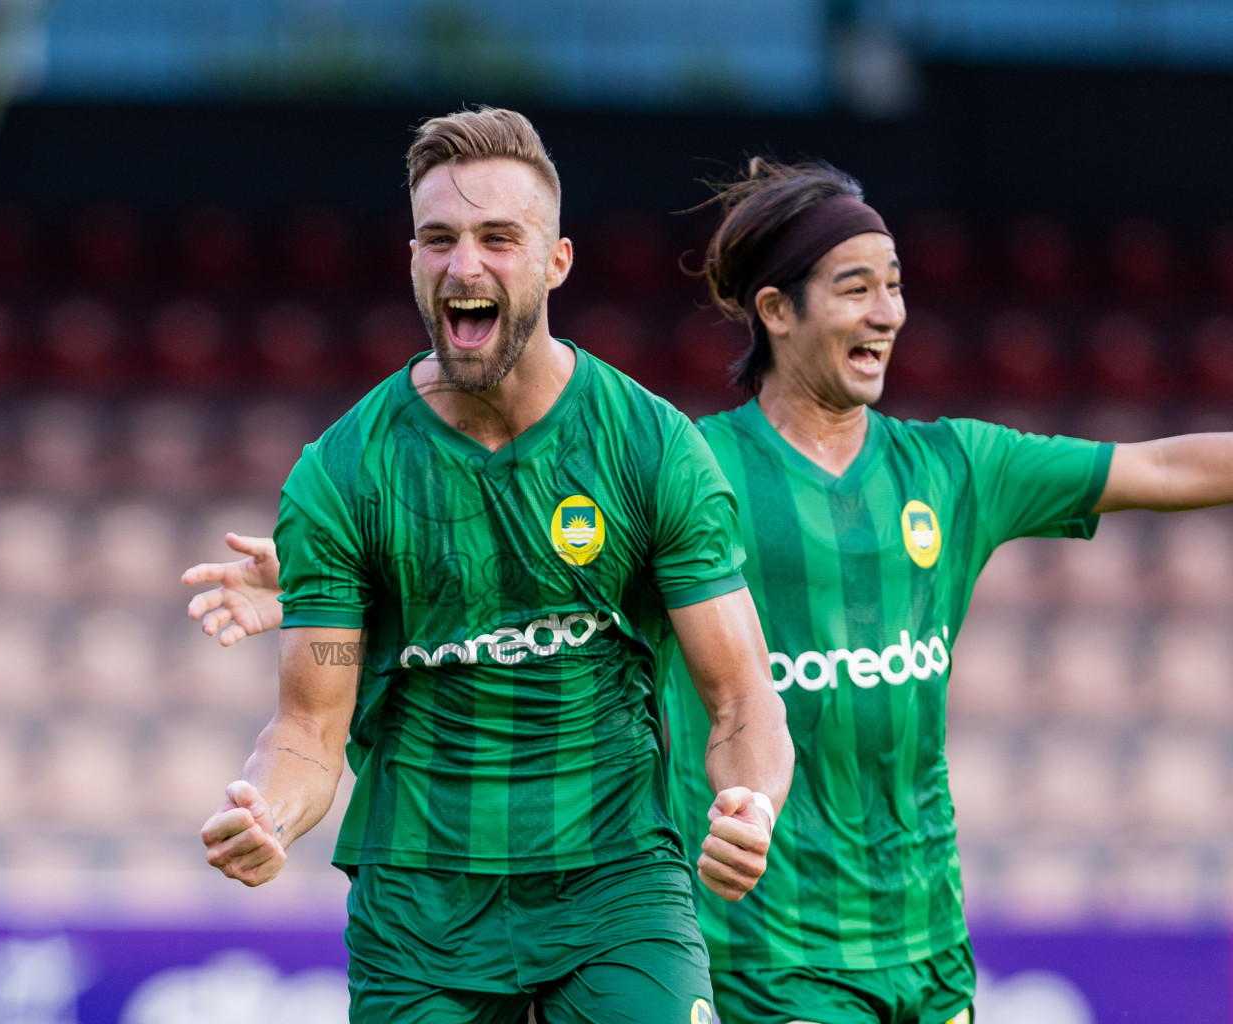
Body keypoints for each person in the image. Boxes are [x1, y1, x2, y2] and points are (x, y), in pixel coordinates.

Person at [187, 156, 1233, 1024]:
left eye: (896, 283)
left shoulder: (956, 469)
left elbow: (1166, 469)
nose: (890, 312)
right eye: (859, 286)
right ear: (776, 310)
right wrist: (330, 586)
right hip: (758, 947)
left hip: (926, 940)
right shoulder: (693, 461)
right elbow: (516, 577)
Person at [190, 107, 794, 1024]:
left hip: (616, 887)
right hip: (419, 918)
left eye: (497, 239)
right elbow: (308, 731)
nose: (464, 265)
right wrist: (267, 811)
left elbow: (744, 699)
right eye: (439, 239)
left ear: (555, 264)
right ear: (412, 263)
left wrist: (749, 803)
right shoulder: (343, 472)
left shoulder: (650, 448)